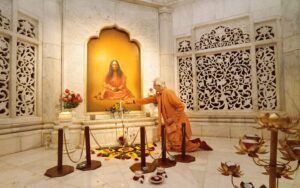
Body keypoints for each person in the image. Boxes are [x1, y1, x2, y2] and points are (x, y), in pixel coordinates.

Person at [126, 78, 213, 152]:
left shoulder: (168, 93)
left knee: (179, 146)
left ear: (159, 86)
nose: (154, 88)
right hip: (170, 123)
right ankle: (194, 142)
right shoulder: (159, 95)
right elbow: (148, 100)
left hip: (178, 121)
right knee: (174, 144)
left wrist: (172, 118)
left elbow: (181, 106)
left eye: (154, 86)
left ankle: (199, 144)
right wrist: (134, 101)